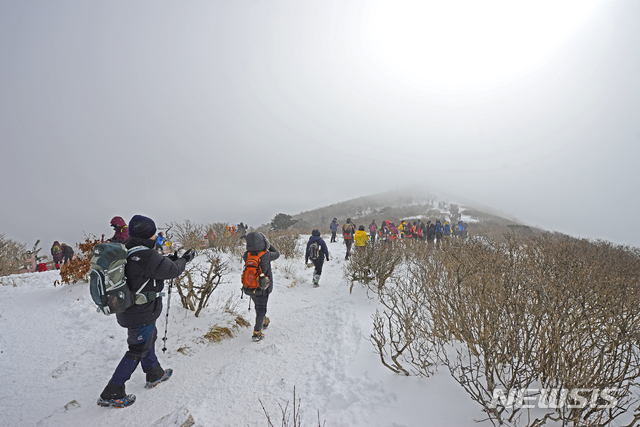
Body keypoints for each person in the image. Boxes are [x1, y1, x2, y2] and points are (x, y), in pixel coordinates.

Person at [98, 215, 195, 408]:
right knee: (137, 348)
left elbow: (154, 267)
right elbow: (173, 270)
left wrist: (171, 259)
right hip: (141, 312)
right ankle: (112, 391)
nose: (154, 236)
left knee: (149, 338)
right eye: (153, 233)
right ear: (147, 235)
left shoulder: (127, 249)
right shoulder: (148, 255)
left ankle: (154, 372)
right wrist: (184, 259)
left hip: (131, 309)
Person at [242, 232, 280, 341]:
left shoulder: (246, 255)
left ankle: (263, 320)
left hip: (249, 287)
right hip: (263, 288)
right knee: (261, 309)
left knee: (258, 306)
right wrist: (268, 245)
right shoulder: (266, 255)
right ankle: (257, 332)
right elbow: (277, 253)